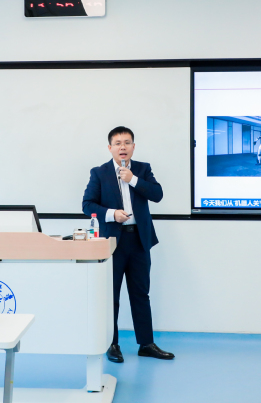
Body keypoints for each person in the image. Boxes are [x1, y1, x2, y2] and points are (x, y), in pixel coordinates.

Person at [82, 126, 174, 363]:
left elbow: (157, 194)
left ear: (133, 146)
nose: (122, 147)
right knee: (111, 295)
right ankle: (112, 344)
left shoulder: (142, 169)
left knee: (141, 293)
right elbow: (87, 205)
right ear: (110, 147)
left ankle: (146, 344)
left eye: (127, 142)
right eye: (118, 143)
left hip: (139, 240)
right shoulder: (99, 172)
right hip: (112, 242)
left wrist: (132, 179)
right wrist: (112, 214)